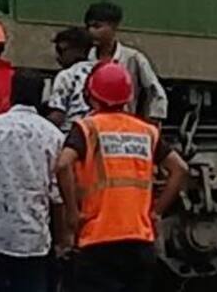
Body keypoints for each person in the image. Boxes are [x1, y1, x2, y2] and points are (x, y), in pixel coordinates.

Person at [55, 61, 187, 292]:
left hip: (98, 240)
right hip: (140, 240)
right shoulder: (147, 131)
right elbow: (180, 169)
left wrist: (73, 214)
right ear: (127, 98)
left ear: (90, 95)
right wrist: (156, 212)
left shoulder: (87, 128)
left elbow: (63, 164)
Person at [0, 71, 63, 292]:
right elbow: (57, 194)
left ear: (11, 94)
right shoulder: (53, 136)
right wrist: (62, 240)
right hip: (35, 241)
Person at [81, 2, 167, 121]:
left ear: (114, 26)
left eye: (97, 26)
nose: (91, 31)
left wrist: (155, 119)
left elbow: (155, 91)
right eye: (88, 27)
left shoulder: (133, 58)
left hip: (124, 124)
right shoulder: (83, 59)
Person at [45, 28, 95, 126]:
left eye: (60, 50)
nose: (57, 57)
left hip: (73, 133)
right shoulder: (100, 71)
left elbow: (58, 117)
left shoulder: (66, 75)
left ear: (76, 50)